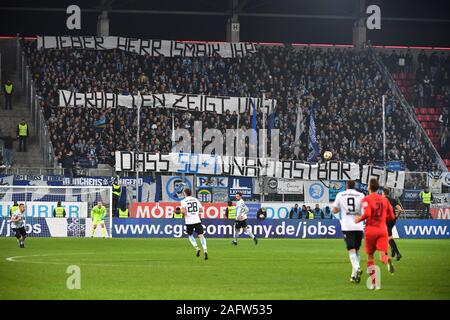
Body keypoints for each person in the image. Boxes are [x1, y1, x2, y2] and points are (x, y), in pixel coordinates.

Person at [355, 179, 395, 290]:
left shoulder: (366, 199)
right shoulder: (385, 200)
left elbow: (367, 213)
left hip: (371, 230)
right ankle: (387, 261)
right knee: (382, 255)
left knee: (370, 257)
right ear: (378, 188)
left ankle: (375, 283)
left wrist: (358, 219)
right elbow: (392, 216)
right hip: (383, 230)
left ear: (369, 187)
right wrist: (382, 218)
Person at [332, 180, 365, 283]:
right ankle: (353, 276)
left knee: (351, 250)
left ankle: (358, 267)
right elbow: (365, 210)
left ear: (346, 185)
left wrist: (340, 209)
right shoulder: (361, 195)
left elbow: (334, 210)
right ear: (354, 186)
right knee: (357, 251)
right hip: (359, 225)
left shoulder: (340, 194)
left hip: (347, 226)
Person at [179, 188, 208, 260]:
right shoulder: (196, 199)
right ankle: (205, 250)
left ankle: (197, 248)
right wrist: (195, 213)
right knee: (201, 235)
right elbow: (201, 210)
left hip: (189, 222)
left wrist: (185, 213)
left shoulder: (183, 201)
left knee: (190, 235)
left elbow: (182, 211)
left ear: (185, 193)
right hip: (197, 220)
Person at [383, 188, 403, 261]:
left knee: (388, 237)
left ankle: (397, 253)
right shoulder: (393, 200)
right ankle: (392, 249)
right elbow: (400, 209)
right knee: (388, 235)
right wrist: (397, 216)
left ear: (383, 193)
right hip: (393, 220)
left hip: (385, 220)